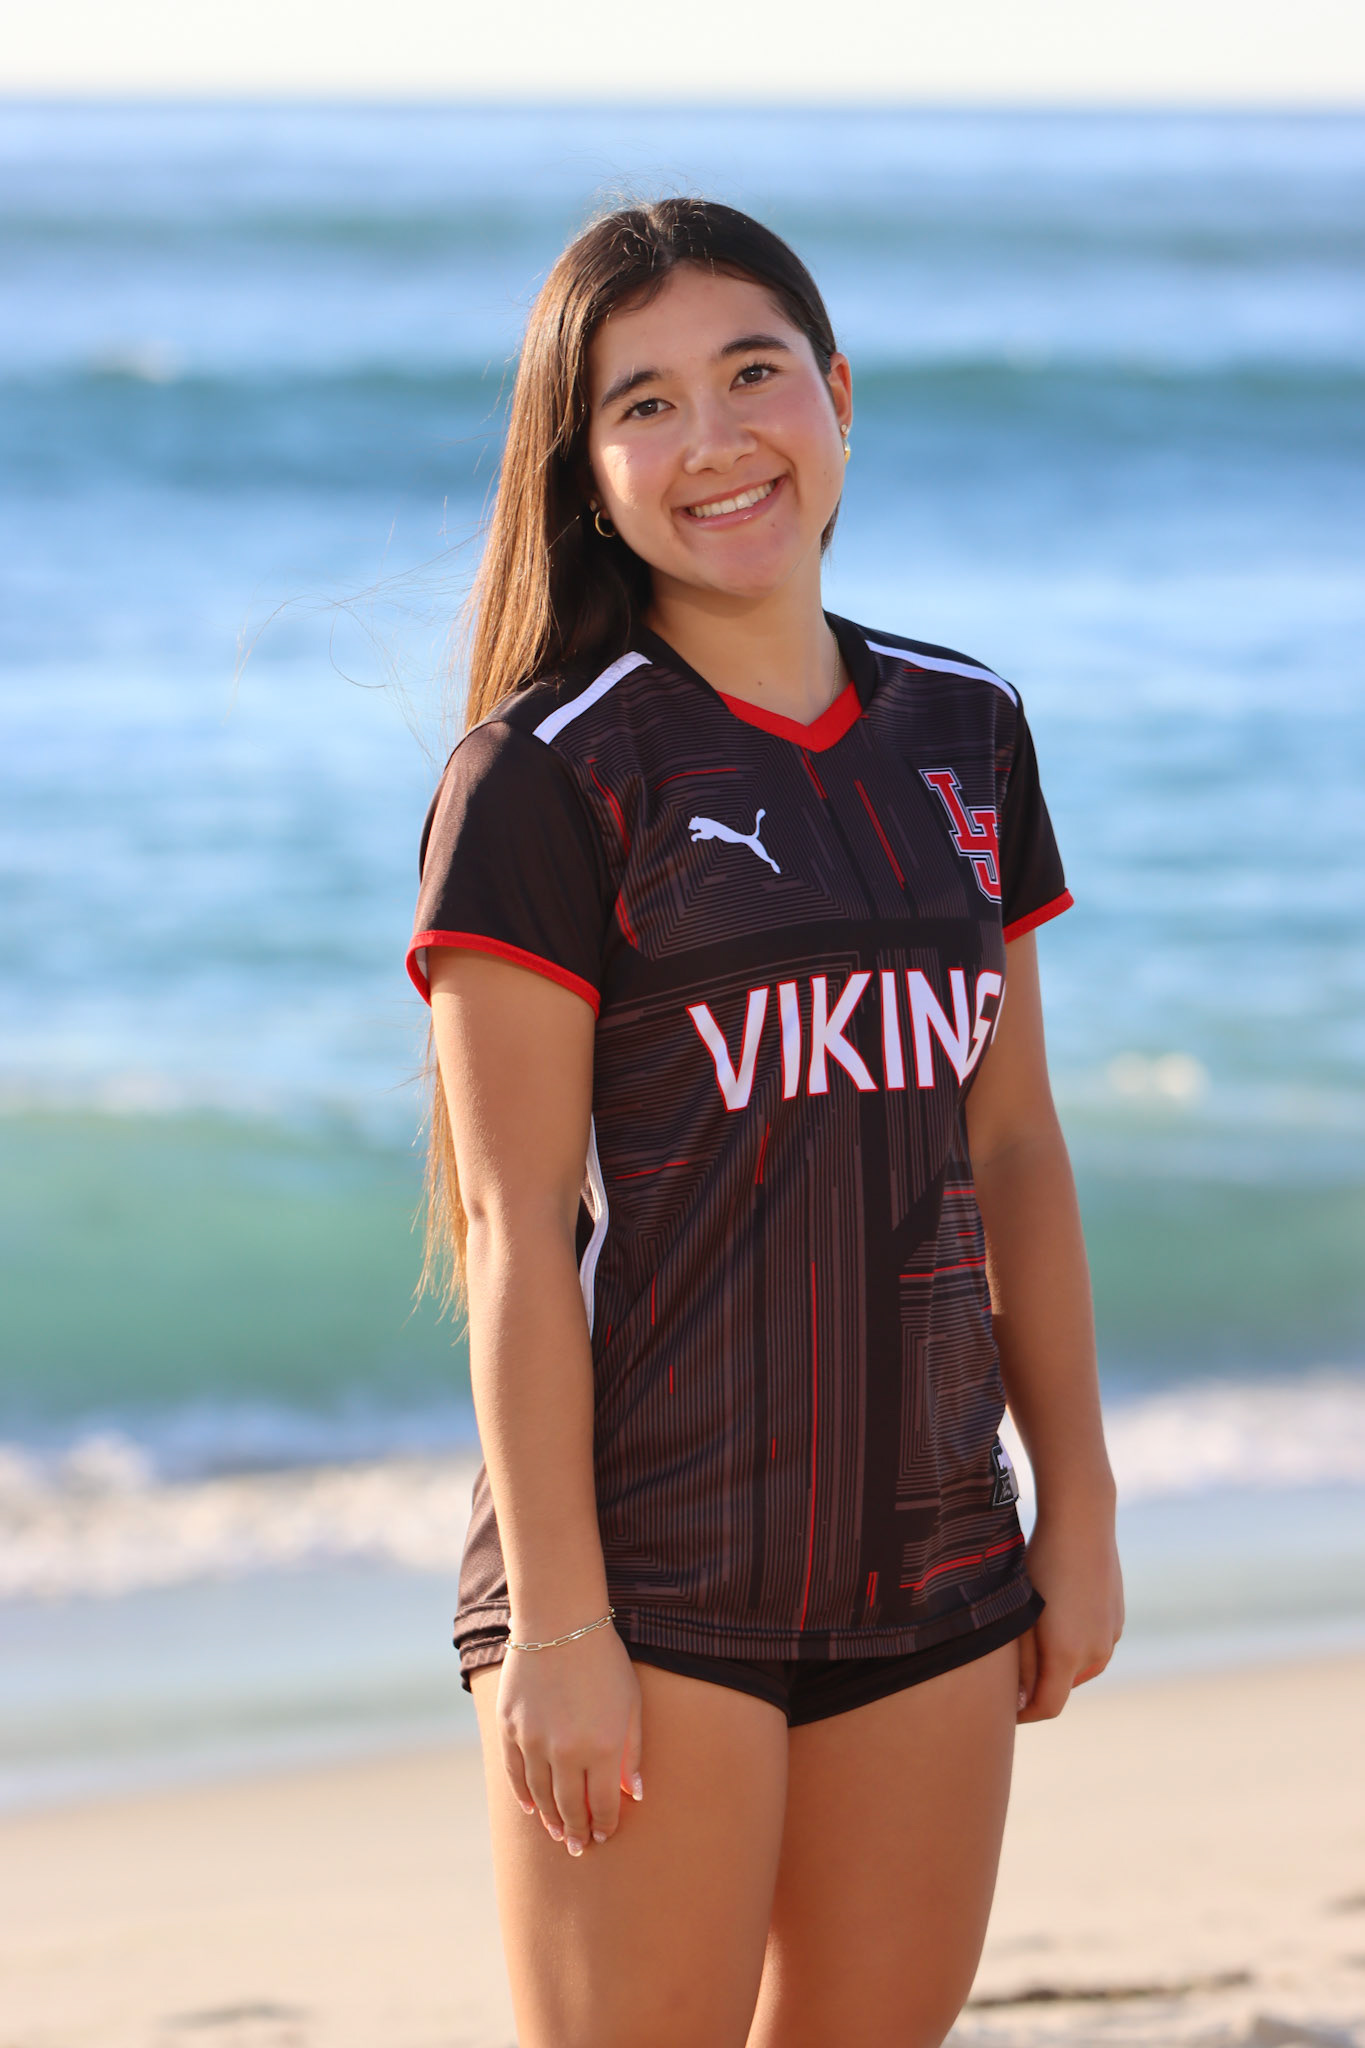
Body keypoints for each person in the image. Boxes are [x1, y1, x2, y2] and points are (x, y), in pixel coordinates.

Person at [407, 198, 1123, 2048]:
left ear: (838, 396)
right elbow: (511, 1227)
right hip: (646, 1584)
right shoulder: (548, 776)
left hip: (935, 1563)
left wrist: (1079, 1506)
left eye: (752, 373)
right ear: (584, 474)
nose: (715, 439)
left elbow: (1014, 1148)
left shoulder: (964, 731)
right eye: (642, 405)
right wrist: (558, 1625)